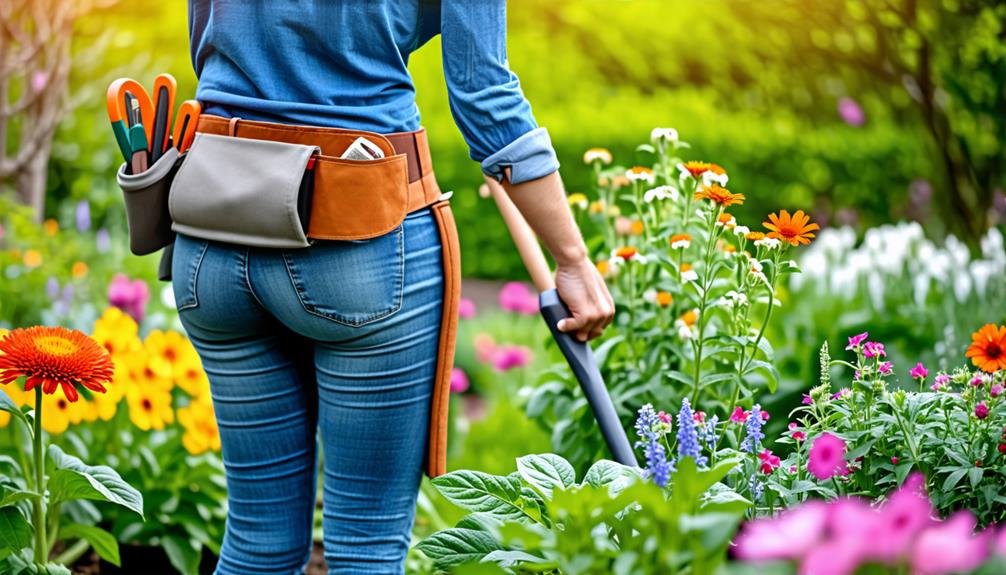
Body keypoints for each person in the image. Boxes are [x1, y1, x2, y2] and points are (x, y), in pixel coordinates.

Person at [180, 1, 613, 573]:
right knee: (366, 550)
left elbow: (207, 49)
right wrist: (573, 260)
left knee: (256, 543)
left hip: (213, 229)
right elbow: (485, 98)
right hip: (357, 242)